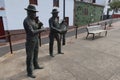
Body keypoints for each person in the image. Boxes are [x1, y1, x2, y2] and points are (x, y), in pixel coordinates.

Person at [23, 4, 45, 78]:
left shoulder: (33, 20)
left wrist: (39, 25)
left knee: (36, 54)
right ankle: (29, 72)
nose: (35, 14)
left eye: (35, 12)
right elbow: (32, 32)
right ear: (29, 12)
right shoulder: (26, 21)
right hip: (30, 41)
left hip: (36, 40)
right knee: (30, 57)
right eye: (33, 12)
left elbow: (36, 28)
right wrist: (42, 29)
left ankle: (36, 65)